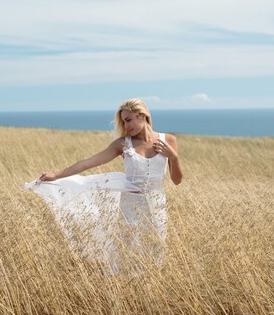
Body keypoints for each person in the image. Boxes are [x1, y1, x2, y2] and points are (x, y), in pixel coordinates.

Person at [23, 98, 183, 275]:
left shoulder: (168, 140)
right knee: (127, 255)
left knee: (154, 253)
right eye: (123, 121)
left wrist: (173, 157)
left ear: (142, 116)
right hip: (129, 208)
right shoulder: (123, 144)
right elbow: (88, 163)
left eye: (128, 119)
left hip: (157, 207)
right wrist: (56, 175)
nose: (125, 125)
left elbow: (177, 180)